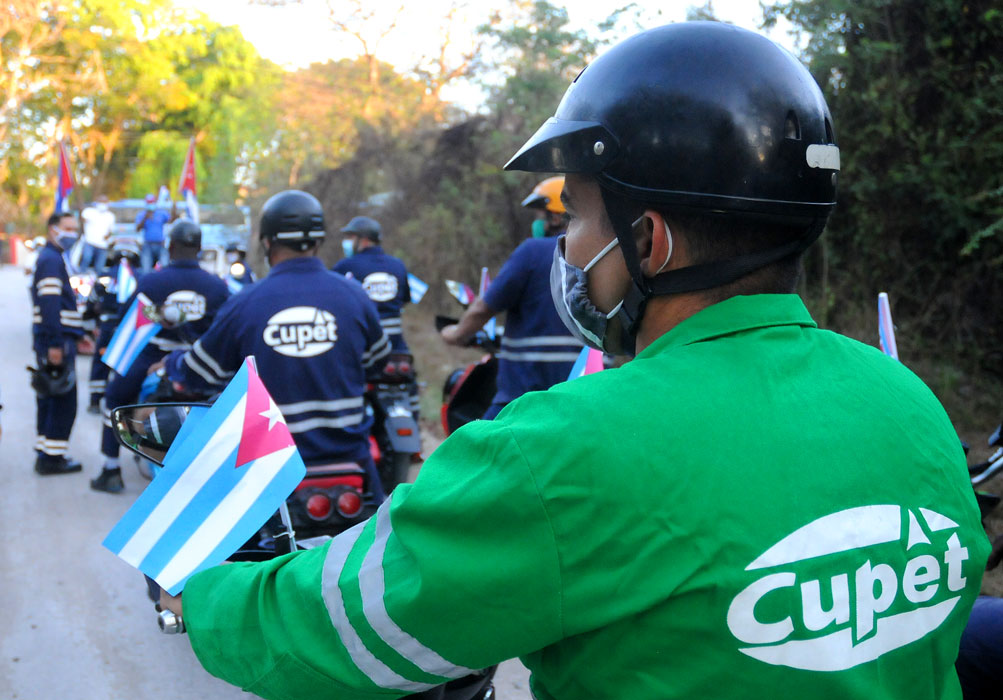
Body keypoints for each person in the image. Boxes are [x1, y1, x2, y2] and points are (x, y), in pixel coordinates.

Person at [160, 24, 989, 700]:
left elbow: (345, 631)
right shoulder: (908, 404)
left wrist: (201, 593)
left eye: (580, 217)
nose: (566, 245)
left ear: (651, 240)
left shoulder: (561, 450)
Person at [164, 190, 392, 501]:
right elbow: (378, 363)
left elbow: (197, 375)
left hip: (268, 469)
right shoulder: (354, 296)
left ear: (268, 241)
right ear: (319, 239)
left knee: (224, 543)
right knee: (381, 541)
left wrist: (172, 362)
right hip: (351, 460)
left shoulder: (245, 304)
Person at [90, 220, 228, 493]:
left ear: (170, 246)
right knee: (223, 407)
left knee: (115, 399)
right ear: (199, 248)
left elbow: (126, 319)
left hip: (152, 357)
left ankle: (110, 469)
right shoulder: (217, 286)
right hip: (198, 362)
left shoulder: (152, 281)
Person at [440, 176, 583, 418]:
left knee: (479, 450)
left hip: (524, 399)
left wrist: (455, 334)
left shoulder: (532, 252)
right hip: (580, 400)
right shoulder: (598, 255)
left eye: (539, 216)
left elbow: (483, 308)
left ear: (556, 217)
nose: (536, 223)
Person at [31, 211, 84, 475]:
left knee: (49, 397)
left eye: (75, 229)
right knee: (63, 401)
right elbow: (50, 304)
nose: (72, 233)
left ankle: (45, 453)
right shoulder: (51, 261)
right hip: (56, 342)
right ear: (53, 229)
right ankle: (52, 459)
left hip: (55, 339)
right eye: (67, 228)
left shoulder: (52, 257)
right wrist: (55, 344)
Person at [332, 216, 412, 353]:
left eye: (350, 237)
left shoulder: (345, 267)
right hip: (397, 349)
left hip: (363, 348)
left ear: (364, 241)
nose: (346, 242)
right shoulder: (398, 265)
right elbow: (405, 300)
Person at [85, 238, 141, 414]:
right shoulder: (142, 278)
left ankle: (95, 401)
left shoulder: (104, 276)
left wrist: (91, 324)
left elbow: (91, 304)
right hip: (131, 330)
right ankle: (127, 402)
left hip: (107, 328)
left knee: (100, 362)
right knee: (130, 364)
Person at [135, 193, 173, 273]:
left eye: (152, 202)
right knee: (146, 270)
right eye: (149, 203)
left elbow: (171, 220)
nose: (150, 204)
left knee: (164, 268)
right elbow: (137, 229)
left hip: (160, 244)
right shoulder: (142, 214)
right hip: (147, 245)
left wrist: (174, 209)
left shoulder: (161, 213)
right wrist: (145, 218)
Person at [79, 194, 115, 271]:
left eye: (104, 202)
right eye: (101, 201)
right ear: (97, 202)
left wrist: (107, 237)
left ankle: (96, 280)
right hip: (89, 242)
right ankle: (81, 275)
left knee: (99, 266)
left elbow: (110, 230)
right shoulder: (89, 212)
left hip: (102, 245)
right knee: (86, 259)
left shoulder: (110, 216)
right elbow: (82, 221)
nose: (102, 204)